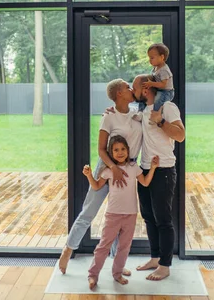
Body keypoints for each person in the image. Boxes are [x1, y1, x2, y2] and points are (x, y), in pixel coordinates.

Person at [58, 79, 143, 274]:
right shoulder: (109, 117)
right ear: (119, 94)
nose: (131, 88)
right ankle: (67, 250)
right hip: (107, 166)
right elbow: (101, 148)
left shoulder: (136, 114)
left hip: (128, 167)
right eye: (127, 86)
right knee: (89, 211)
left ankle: (116, 264)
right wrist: (113, 167)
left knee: (120, 214)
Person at [83, 135, 159, 289]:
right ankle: (93, 275)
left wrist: (152, 168)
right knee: (104, 246)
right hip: (113, 215)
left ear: (128, 151)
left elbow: (145, 182)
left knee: (124, 247)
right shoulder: (108, 171)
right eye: (116, 150)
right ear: (111, 153)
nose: (120, 152)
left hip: (130, 214)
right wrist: (89, 175)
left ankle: (117, 273)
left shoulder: (134, 168)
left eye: (123, 149)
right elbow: (97, 186)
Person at [132, 74, 185, 281]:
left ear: (145, 89)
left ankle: (165, 265)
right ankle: (155, 258)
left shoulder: (168, 107)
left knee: (163, 220)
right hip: (145, 170)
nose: (132, 91)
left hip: (163, 170)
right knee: (148, 217)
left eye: (134, 88)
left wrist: (160, 121)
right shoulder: (143, 110)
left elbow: (180, 135)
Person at [141, 43, 174, 113]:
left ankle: (156, 114)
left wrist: (151, 84)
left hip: (166, 92)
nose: (150, 60)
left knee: (158, 101)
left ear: (162, 57)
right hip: (158, 89)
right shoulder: (156, 68)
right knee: (144, 97)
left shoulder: (164, 70)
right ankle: (141, 111)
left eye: (152, 58)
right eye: (149, 58)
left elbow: (163, 85)